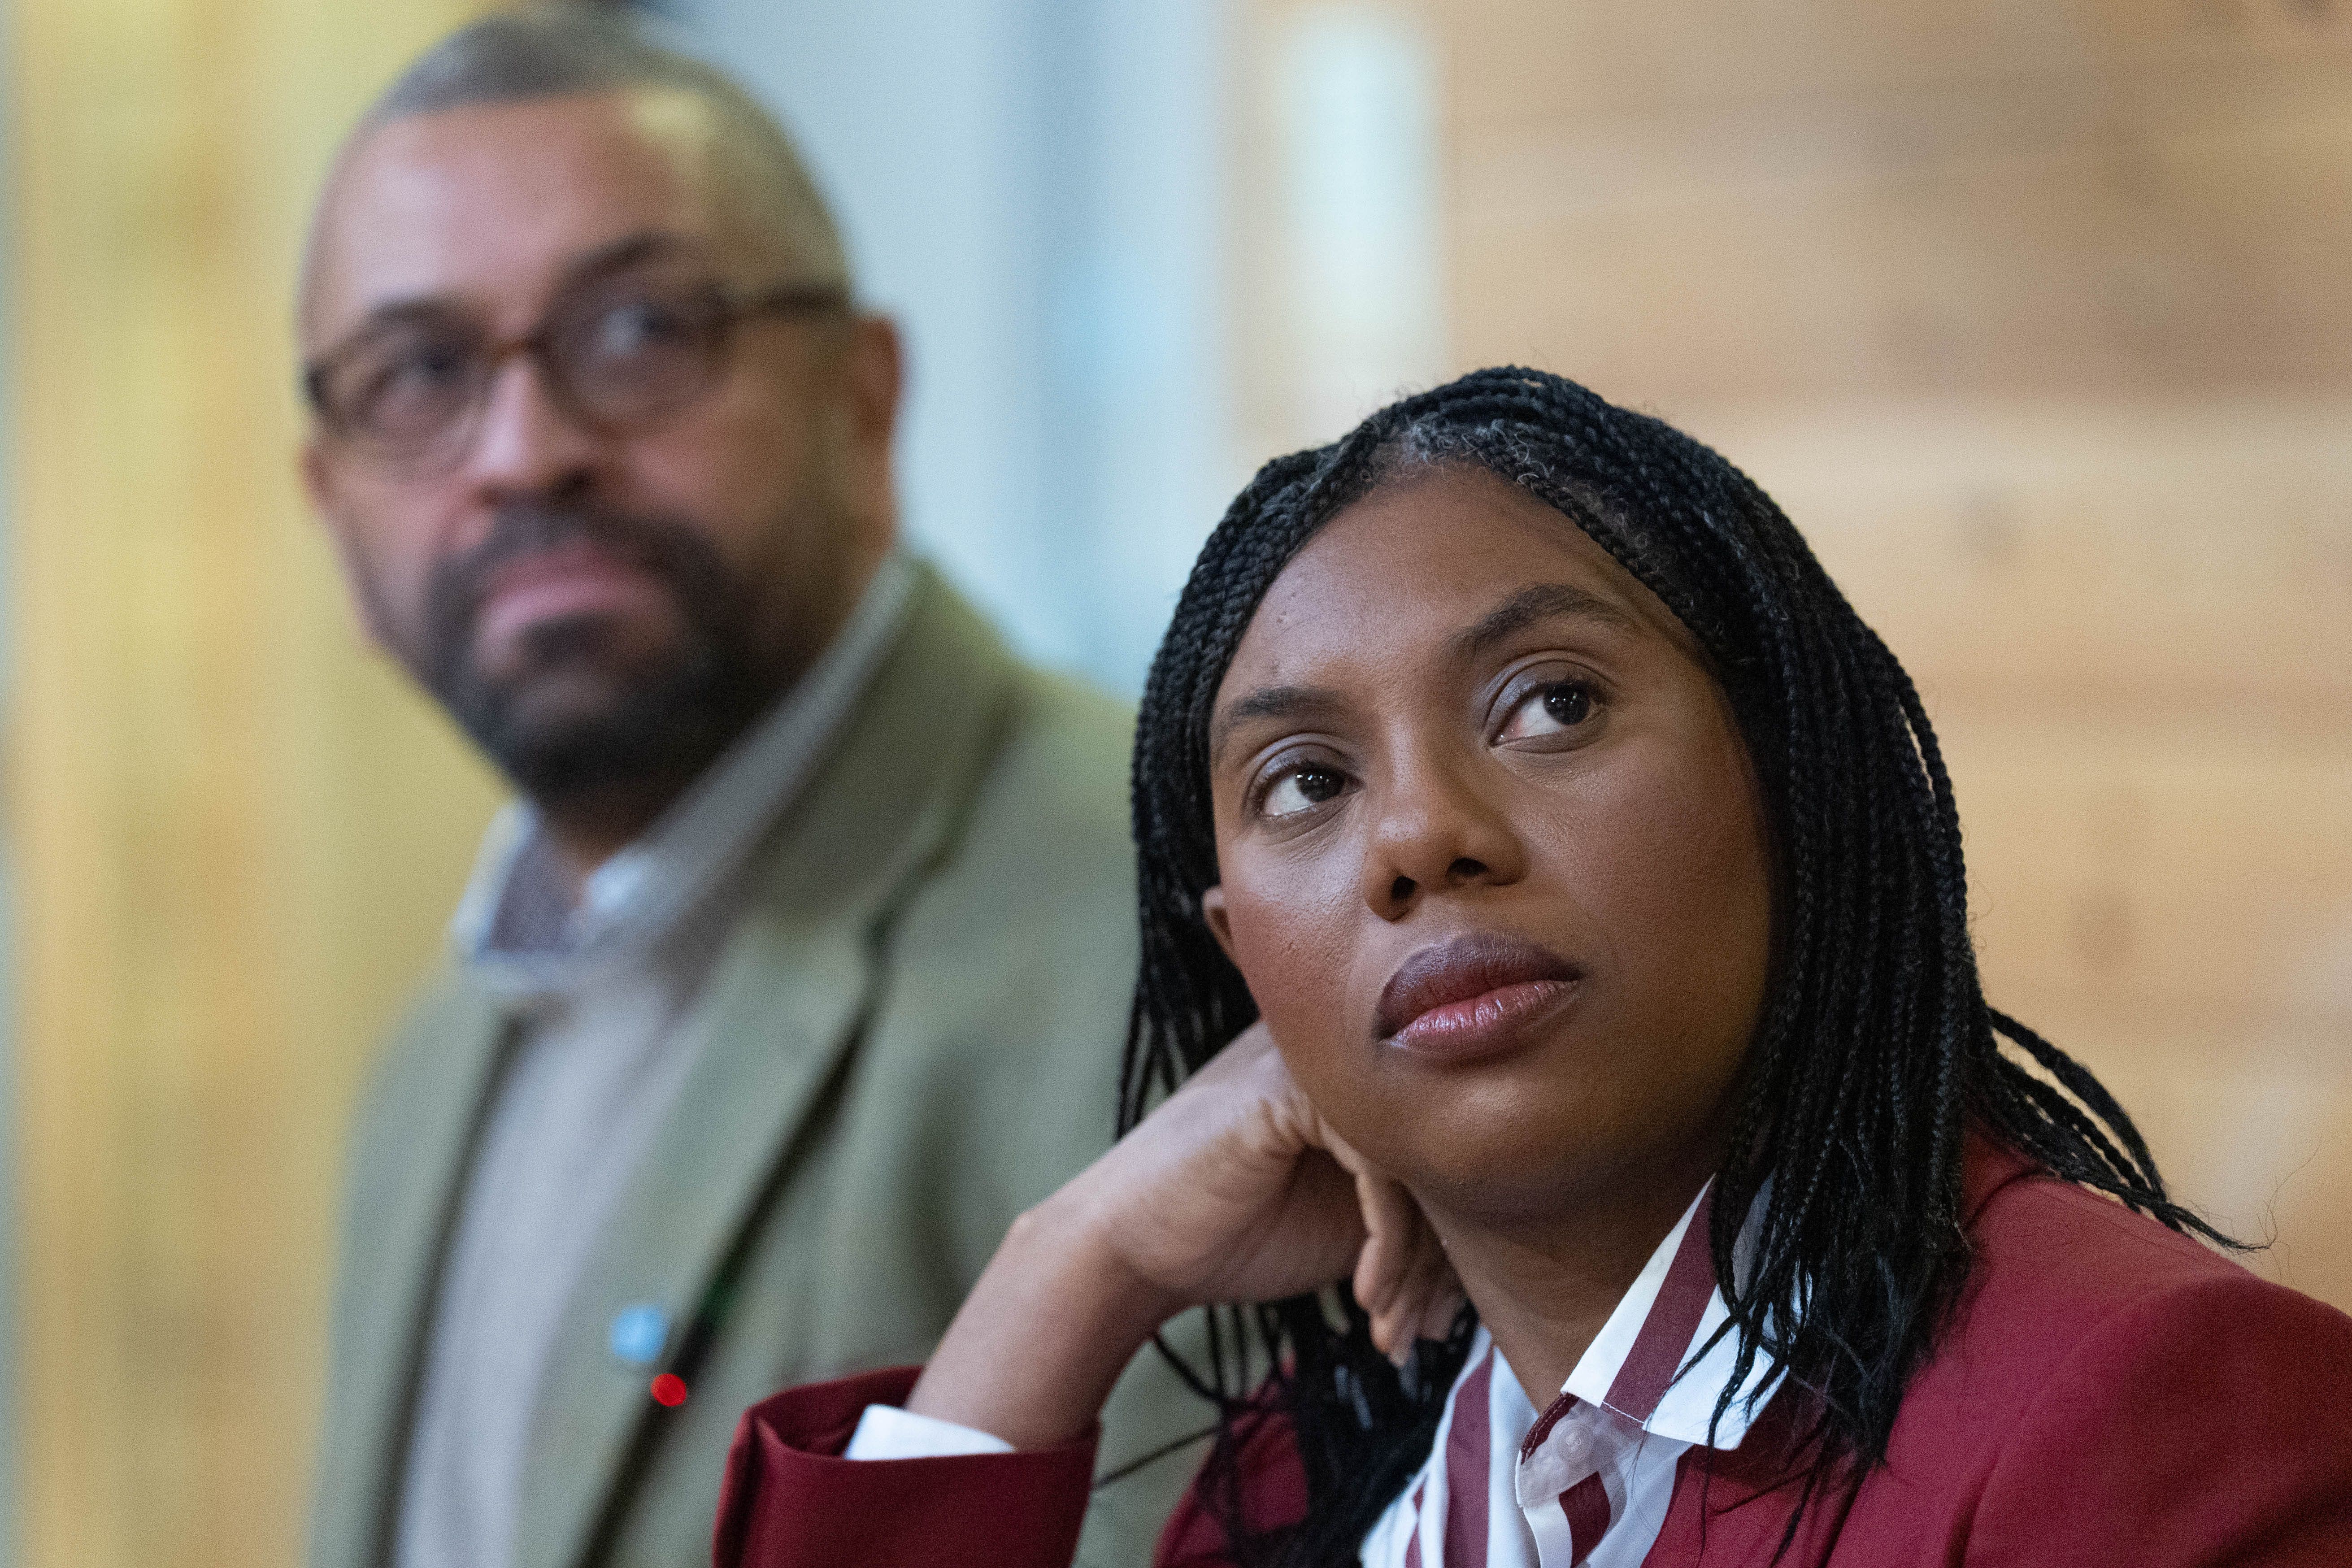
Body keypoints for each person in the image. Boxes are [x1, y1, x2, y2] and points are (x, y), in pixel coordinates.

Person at [713, 367, 2352, 1567]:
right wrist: (1076, 1264)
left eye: (1551, 703)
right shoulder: (1290, 1495)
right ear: (1242, 956)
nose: (1418, 836)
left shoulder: (2144, 1405)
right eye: (1307, 781)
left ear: (1795, 770)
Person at [298, 13, 1200, 1568]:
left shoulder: (1169, 929)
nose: (523, 450)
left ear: (864, 404)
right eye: (419, 373)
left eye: (639, 331)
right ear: (331, 509)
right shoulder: (427, 1061)